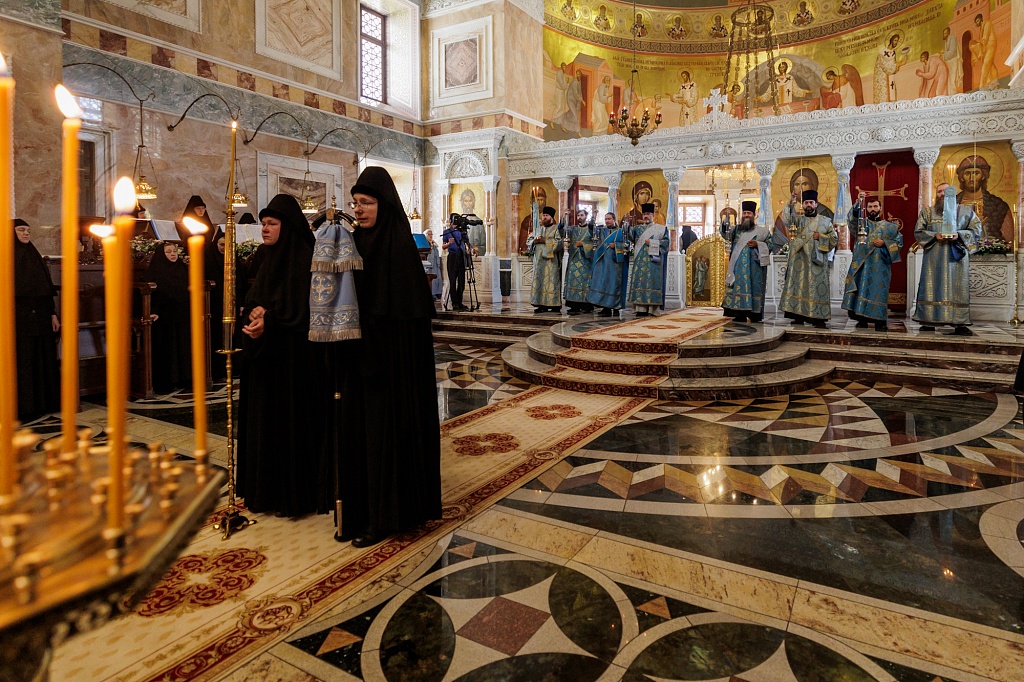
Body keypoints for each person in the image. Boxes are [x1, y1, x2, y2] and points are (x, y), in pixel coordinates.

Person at [339, 167, 440, 546]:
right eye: (356, 203)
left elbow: (405, 317)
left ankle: (388, 516)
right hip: (358, 356)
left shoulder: (398, 248)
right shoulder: (352, 245)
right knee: (361, 437)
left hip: (391, 364)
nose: (360, 210)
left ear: (384, 205)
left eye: (366, 203)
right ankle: (363, 512)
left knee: (385, 436)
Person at [237, 193, 320, 517]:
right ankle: (263, 493)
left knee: (289, 430)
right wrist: (253, 315)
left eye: (272, 224)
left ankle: (292, 497)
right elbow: (254, 298)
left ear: (287, 226)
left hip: (294, 364)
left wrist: (269, 320)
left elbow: (305, 311)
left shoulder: (306, 257)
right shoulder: (264, 256)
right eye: (263, 224)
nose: (265, 230)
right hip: (264, 364)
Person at [913, 182, 981, 335]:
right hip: (934, 258)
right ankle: (928, 320)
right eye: (939, 192)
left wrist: (960, 235)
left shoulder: (966, 212)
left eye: (945, 191)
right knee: (932, 287)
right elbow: (919, 231)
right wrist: (934, 236)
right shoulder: (927, 213)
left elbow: (976, 229)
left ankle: (960, 322)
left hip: (956, 259)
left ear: (953, 193)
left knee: (958, 288)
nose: (942, 194)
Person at [13, 219, 59, 422]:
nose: (26, 233)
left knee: (42, 358)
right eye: (21, 230)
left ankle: (45, 402)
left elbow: (46, 290)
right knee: (23, 361)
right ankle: (24, 407)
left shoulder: (34, 255)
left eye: (28, 230)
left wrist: (52, 313)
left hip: (41, 317)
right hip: (18, 319)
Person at [842, 195, 903, 331]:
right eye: (870, 207)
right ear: (867, 209)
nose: (873, 209)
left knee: (878, 292)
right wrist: (858, 204)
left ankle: (879, 321)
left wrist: (885, 243)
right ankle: (861, 319)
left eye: (875, 206)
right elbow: (851, 220)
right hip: (862, 264)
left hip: (880, 265)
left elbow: (899, 242)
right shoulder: (861, 225)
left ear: (880, 208)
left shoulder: (890, 227)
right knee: (861, 289)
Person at [779, 189, 838, 328]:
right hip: (799, 261)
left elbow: (834, 239)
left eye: (811, 202)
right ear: (803, 205)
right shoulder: (798, 221)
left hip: (817, 261)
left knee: (816, 288)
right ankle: (797, 316)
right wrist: (791, 201)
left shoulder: (825, 222)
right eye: (806, 203)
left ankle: (818, 318)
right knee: (798, 287)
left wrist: (822, 237)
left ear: (816, 204)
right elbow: (786, 218)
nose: (809, 205)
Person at [146, 242, 192, 393]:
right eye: (168, 252)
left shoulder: (183, 269)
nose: (173, 254)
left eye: (174, 251)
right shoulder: (156, 270)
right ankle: (167, 381)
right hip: (164, 316)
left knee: (183, 347)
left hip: (182, 313)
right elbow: (151, 293)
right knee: (167, 349)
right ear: (161, 254)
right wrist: (153, 310)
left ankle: (185, 378)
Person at [721, 201, 772, 323]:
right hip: (737, 269)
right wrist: (726, 219)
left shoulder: (762, 232)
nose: (746, 215)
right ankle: (738, 314)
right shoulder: (736, 230)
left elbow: (771, 245)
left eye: (749, 213)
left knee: (754, 289)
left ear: (754, 215)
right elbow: (725, 233)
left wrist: (757, 244)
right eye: (744, 213)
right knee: (737, 289)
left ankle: (754, 314)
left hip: (754, 268)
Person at [955, 155, 1013, 243]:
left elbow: (1008, 240)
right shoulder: (951, 204)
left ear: (983, 176)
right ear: (962, 177)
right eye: (967, 173)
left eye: (976, 173)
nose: (972, 178)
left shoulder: (998, 206)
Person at [628, 203, 670, 317]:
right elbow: (629, 236)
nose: (646, 216)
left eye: (648, 214)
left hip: (653, 262)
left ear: (653, 215)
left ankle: (651, 309)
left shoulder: (661, 229)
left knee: (651, 284)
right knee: (640, 283)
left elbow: (666, 244)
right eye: (644, 214)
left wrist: (652, 242)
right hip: (639, 262)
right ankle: (640, 309)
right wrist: (627, 224)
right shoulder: (637, 229)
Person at [589, 212, 629, 317]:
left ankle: (616, 307)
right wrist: (593, 217)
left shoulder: (620, 232)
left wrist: (616, 246)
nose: (607, 221)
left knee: (614, 285)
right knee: (604, 285)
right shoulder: (601, 231)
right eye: (606, 219)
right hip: (603, 263)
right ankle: (605, 308)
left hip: (615, 264)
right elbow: (591, 229)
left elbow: (627, 245)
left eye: (609, 219)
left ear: (614, 219)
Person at [528, 207, 565, 313]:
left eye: (546, 216)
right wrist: (534, 242)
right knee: (540, 280)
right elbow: (529, 240)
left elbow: (559, 243)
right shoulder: (538, 229)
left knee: (551, 281)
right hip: (539, 261)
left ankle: (554, 305)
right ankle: (541, 304)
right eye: (543, 215)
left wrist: (545, 240)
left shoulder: (555, 229)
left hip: (551, 262)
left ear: (551, 218)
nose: (544, 217)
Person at [205, 229, 227, 380]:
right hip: (213, 304)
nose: (223, 248)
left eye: (227, 245)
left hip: (229, 303)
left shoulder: (233, 258)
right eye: (221, 244)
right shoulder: (209, 258)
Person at [564, 209, 596, 314]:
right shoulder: (573, 229)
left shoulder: (590, 229)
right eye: (578, 215)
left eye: (581, 215)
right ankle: (574, 306)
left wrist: (583, 245)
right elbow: (564, 230)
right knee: (572, 281)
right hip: (574, 259)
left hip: (585, 260)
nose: (579, 217)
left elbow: (594, 242)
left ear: (586, 216)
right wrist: (566, 216)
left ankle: (586, 305)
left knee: (585, 283)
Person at [442, 215, 474, 311]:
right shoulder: (446, 232)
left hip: (461, 256)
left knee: (461, 281)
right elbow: (443, 246)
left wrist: (472, 249)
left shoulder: (462, 232)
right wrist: (449, 243)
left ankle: (459, 302)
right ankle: (454, 302)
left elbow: (467, 243)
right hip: (452, 257)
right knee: (452, 280)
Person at [971, 13, 998, 90]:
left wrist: (978, 43)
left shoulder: (987, 24)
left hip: (991, 46)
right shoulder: (981, 28)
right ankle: (994, 85)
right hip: (986, 48)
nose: (977, 23)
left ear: (981, 19)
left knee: (986, 65)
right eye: (976, 22)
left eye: (977, 20)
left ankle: (982, 87)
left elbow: (985, 38)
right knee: (991, 66)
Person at [423, 228, 443, 300]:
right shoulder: (424, 243)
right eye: (429, 234)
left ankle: (436, 294)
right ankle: (430, 294)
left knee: (437, 279)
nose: (431, 236)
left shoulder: (434, 243)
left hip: (435, 263)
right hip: (428, 264)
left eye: (431, 234)